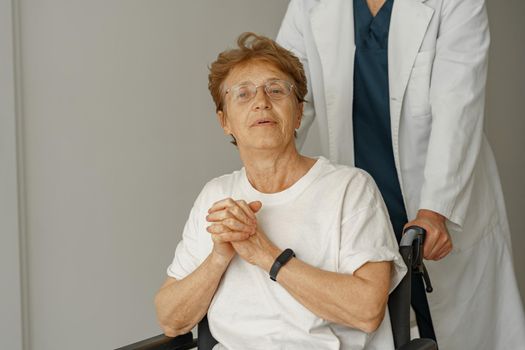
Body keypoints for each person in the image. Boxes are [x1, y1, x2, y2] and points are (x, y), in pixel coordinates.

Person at [276, 0, 525, 349]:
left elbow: (458, 106)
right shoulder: (310, 5)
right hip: (359, 202)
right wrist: (266, 182)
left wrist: (435, 209)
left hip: (438, 200)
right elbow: (284, 91)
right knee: (373, 329)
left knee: (455, 332)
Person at [155, 32, 408, 349]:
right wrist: (219, 256)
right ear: (225, 121)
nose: (261, 101)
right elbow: (170, 318)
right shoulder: (215, 195)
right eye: (243, 94)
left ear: (299, 112)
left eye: (275, 90)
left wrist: (267, 256)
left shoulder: (349, 188)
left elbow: (367, 311)